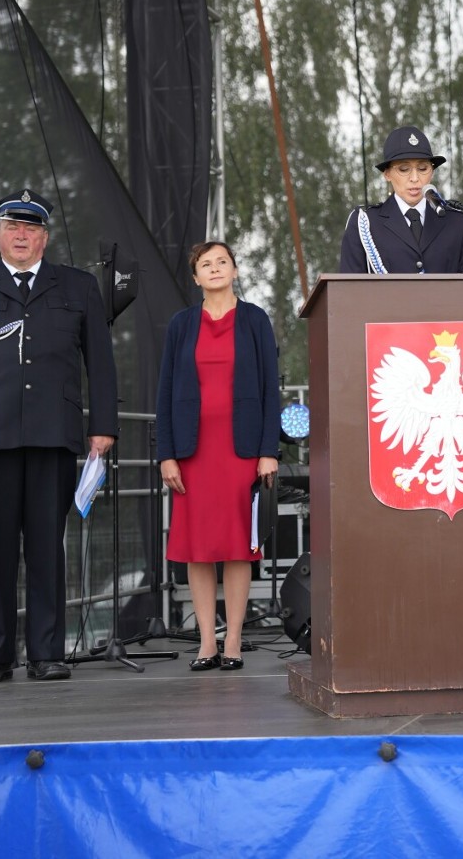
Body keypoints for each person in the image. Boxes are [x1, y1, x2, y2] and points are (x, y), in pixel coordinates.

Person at [0, 189, 117, 683]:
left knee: (45, 548)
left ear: (45, 237)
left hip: (53, 434)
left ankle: (46, 653)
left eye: (31, 229)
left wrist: (102, 426)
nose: (21, 236)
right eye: (13, 227)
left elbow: (99, 361)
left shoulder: (77, 287)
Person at [157, 241, 280, 671]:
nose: (214, 268)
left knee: (237, 547)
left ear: (234, 269)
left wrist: (268, 451)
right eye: (205, 264)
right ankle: (206, 642)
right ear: (195, 277)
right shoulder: (180, 324)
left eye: (221, 261)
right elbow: (165, 392)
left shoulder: (255, 320)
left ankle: (233, 641)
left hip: (239, 449)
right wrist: (166, 454)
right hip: (192, 452)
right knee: (198, 548)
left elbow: (271, 390)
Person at [339, 125, 463, 274]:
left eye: (422, 169)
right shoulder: (365, 223)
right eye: (403, 169)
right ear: (387, 174)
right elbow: (349, 290)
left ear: (432, 172)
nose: (415, 178)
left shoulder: (456, 222)